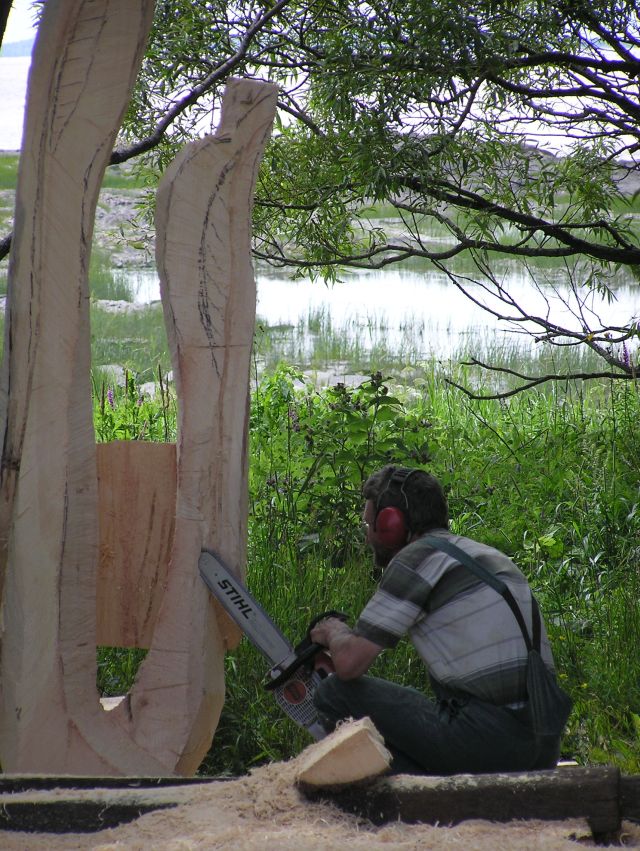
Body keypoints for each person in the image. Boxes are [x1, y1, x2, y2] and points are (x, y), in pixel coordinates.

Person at [310, 464, 563, 775]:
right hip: (543, 748)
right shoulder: (489, 557)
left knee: (334, 693)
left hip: (491, 744)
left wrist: (334, 632)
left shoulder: (416, 560)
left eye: (369, 525)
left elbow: (349, 664)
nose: (367, 538)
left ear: (391, 523)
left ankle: (412, 801)